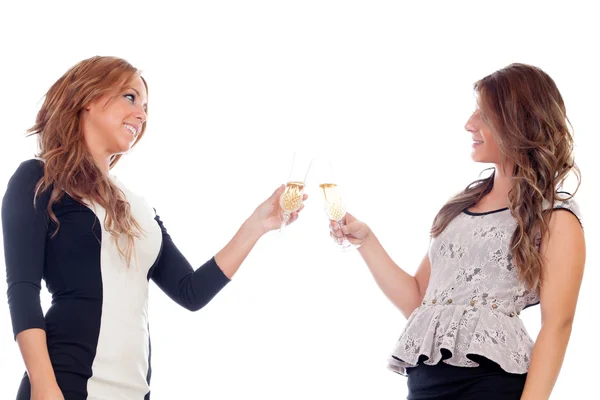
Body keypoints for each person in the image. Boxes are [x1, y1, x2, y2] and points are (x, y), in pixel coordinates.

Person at [1, 56, 307, 400]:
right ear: (87, 97)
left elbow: (190, 292)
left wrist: (258, 224)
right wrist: (43, 385)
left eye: (146, 107)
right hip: (64, 386)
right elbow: (22, 290)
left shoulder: (138, 208)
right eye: (130, 98)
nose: (142, 116)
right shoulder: (38, 179)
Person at [330, 63, 586, 399]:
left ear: (518, 121)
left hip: (491, 384)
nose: (469, 124)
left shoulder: (555, 217)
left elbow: (558, 325)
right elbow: (419, 300)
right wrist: (366, 241)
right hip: (425, 384)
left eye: (484, 114)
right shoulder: (459, 209)